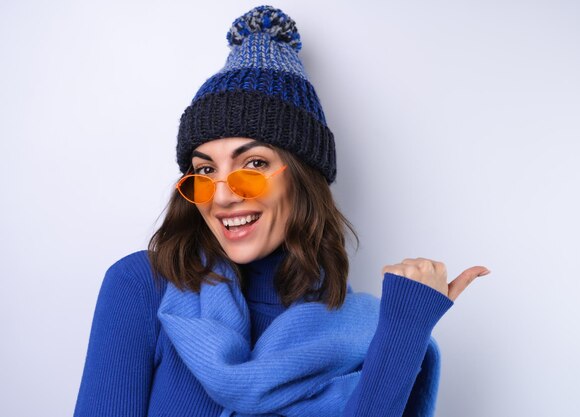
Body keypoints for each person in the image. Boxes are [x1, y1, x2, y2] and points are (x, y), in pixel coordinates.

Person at [73, 5, 490, 417]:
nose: (221, 198)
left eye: (253, 164)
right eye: (204, 170)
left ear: (302, 177)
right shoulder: (144, 287)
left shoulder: (366, 333)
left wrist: (404, 331)